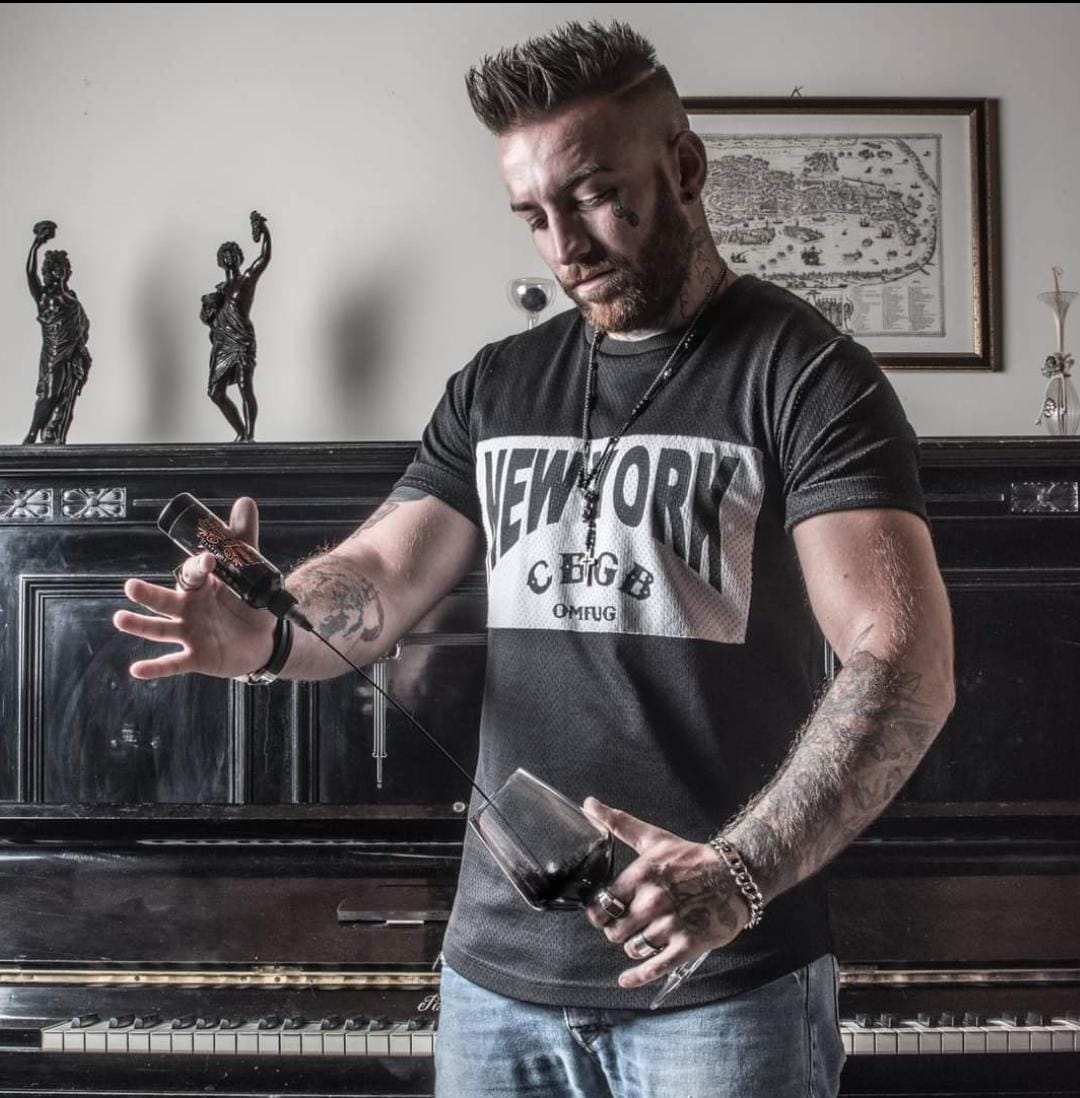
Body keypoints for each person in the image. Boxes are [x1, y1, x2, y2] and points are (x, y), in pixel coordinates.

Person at [114, 20, 954, 1098]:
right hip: (494, 986)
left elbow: (904, 661)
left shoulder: (810, 380)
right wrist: (270, 631)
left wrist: (738, 875)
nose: (565, 247)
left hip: (723, 984)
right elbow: (378, 578)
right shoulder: (497, 385)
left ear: (685, 167)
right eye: (532, 215)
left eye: (595, 195)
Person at [201, 210, 271, 441]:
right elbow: (209, 319)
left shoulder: (246, 280)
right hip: (223, 343)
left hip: (241, 340)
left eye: (232, 252)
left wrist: (264, 231)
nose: (229, 256)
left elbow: (264, 257)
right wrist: (208, 312)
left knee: (244, 385)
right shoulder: (218, 292)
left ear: (240, 257)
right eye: (225, 254)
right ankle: (240, 432)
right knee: (215, 392)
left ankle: (249, 436)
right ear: (220, 261)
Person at [24, 221, 93, 445]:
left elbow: (83, 326)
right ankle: (31, 434)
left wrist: (80, 346)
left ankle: (53, 438)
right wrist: (36, 245)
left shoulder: (72, 299)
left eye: (61, 267)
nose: (58, 271)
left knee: (65, 397)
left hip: (72, 354)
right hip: (54, 353)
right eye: (54, 268)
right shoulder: (45, 298)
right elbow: (30, 274)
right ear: (48, 273)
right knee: (50, 394)